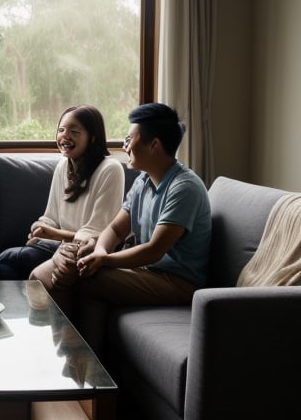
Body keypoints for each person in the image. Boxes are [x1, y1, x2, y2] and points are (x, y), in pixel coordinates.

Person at [31, 102, 211, 353]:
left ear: (154, 145)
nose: (125, 146)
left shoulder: (184, 188)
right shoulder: (143, 181)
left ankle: (76, 357)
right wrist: (100, 251)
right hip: (146, 270)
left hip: (176, 282)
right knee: (47, 274)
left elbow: (154, 250)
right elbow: (115, 230)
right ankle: (79, 361)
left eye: (129, 139)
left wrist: (104, 261)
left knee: (84, 278)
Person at [0, 105, 125, 279]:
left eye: (74, 132)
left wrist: (53, 234)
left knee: (13, 258)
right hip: (59, 248)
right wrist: (39, 228)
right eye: (61, 130)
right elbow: (50, 219)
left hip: (84, 254)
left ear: (92, 138)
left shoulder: (110, 169)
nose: (64, 136)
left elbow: (96, 236)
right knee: (4, 265)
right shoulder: (63, 166)